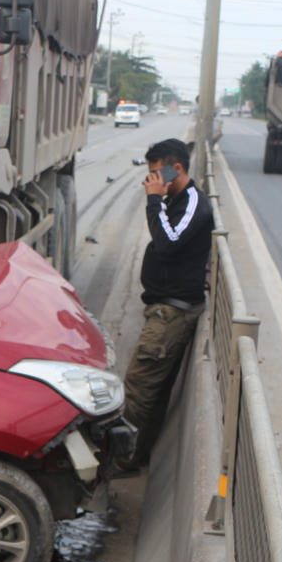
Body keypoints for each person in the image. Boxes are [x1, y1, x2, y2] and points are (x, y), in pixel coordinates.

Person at [118, 137, 214, 470]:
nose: (152, 181)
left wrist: (153, 200)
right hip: (164, 308)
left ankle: (121, 461)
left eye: (158, 174)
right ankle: (137, 456)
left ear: (178, 168)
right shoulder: (175, 200)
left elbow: (168, 243)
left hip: (172, 314)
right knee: (152, 393)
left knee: (138, 389)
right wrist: (159, 199)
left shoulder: (193, 203)